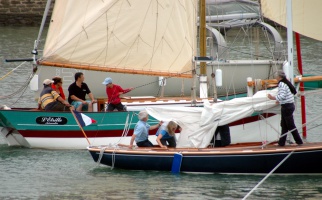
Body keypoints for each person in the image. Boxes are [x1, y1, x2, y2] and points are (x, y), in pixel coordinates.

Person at [267, 70, 303, 146]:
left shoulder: (282, 84)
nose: (275, 77)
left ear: (279, 77)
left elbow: (282, 95)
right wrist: (279, 100)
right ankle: (281, 143)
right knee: (284, 125)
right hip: (288, 105)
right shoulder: (286, 82)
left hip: (287, 107)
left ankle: (299, 142)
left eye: (276, 76)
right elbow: (287, 94)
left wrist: (273, 98)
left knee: (290, 125)